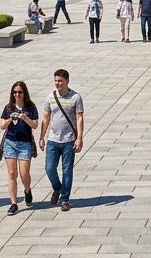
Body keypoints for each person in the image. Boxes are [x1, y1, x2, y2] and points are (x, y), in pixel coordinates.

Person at [39, 69, 84, 211]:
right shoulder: (50, 97)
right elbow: (46, 118)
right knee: (49, 168)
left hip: (69, 140)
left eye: (60, 81)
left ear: (67, 81)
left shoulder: (75, 97)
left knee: (67, 170)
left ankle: (65, 199)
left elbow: (79, 118)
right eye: (56, 81)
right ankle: (57, 187)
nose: (57, 83)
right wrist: (41, 137)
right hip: (53, 139)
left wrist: (80, 138)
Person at [0, 80, 39, 215]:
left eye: (20, 92)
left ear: (24, 93)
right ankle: (14, 203)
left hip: (25, 144)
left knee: (24, 174)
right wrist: (10, 119)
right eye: (15, 92)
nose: (17, 95)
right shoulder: (8, 107)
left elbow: (35, 125)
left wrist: (25, 118)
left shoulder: (30, 107)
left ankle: (27, 190)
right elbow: (2, 125)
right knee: (12, 174)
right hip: (10, 142)